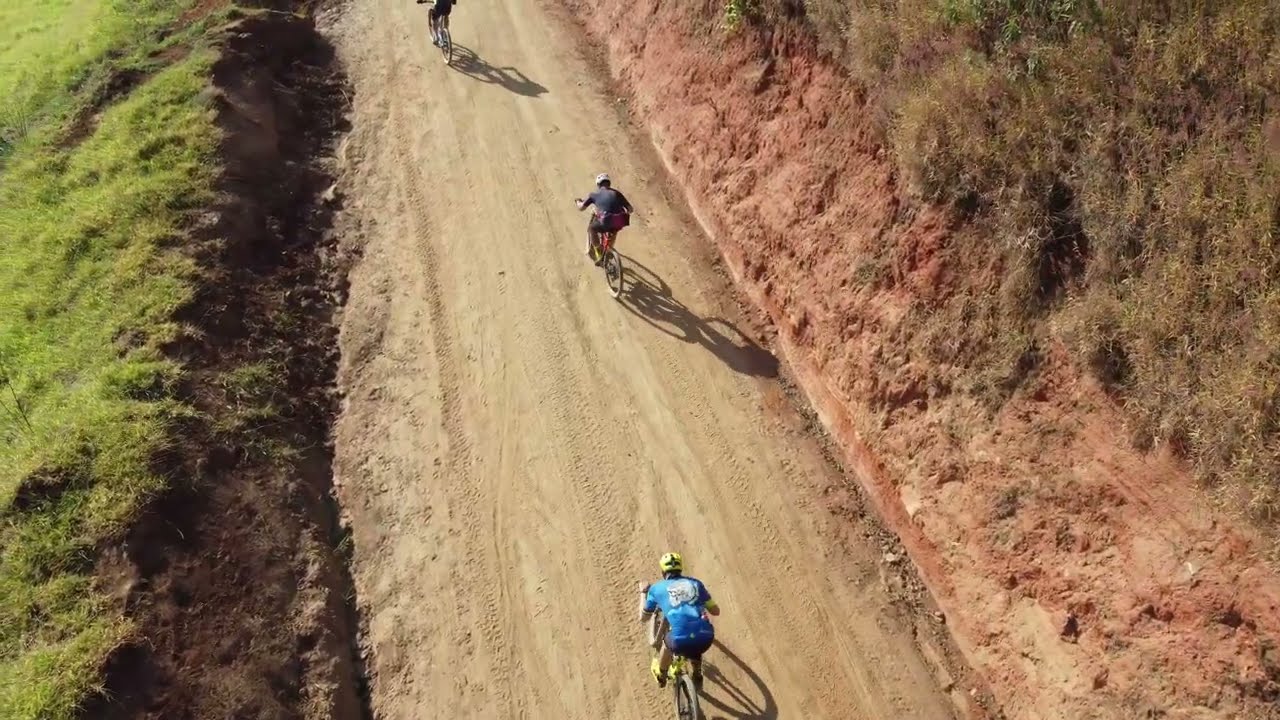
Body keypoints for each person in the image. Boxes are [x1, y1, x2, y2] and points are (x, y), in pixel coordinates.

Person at [638, 552, 719, 688]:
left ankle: (662, 675)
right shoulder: (696, 583)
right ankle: (697, 673)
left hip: (679, 640)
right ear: (680, 569)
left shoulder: (656, 589)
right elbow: (716, 611)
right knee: (696, 639)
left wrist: (643, 593)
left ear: (663, 571)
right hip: (706, 637)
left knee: (667, 644)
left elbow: (643, 617)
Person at [575, 173, 633, 264]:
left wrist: (578, 201)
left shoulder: (593, 195)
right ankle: (609, 251)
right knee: (614, 228)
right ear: (609, 183)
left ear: (598, 185)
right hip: (620, 220)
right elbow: (630, 209)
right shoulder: (617, 193)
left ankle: (599, 252)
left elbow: (581, 208)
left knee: (592, 228)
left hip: (605, 220)